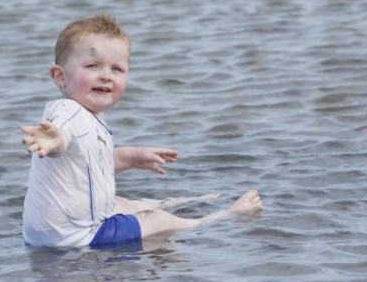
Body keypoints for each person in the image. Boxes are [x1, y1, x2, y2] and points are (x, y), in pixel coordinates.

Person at [21, 13, 261, 248]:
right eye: (92, 66)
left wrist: (132, 157)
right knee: (157, 221)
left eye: (116, 69)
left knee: (121, 204)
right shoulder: (66, 111)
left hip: (44, 233)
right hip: (76, 236)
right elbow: (60, 135)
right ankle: (223, 217)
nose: (105, 76)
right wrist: (53, 141)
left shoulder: (90, 118)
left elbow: (89, 167)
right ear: (60, 76)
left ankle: (178, 201)